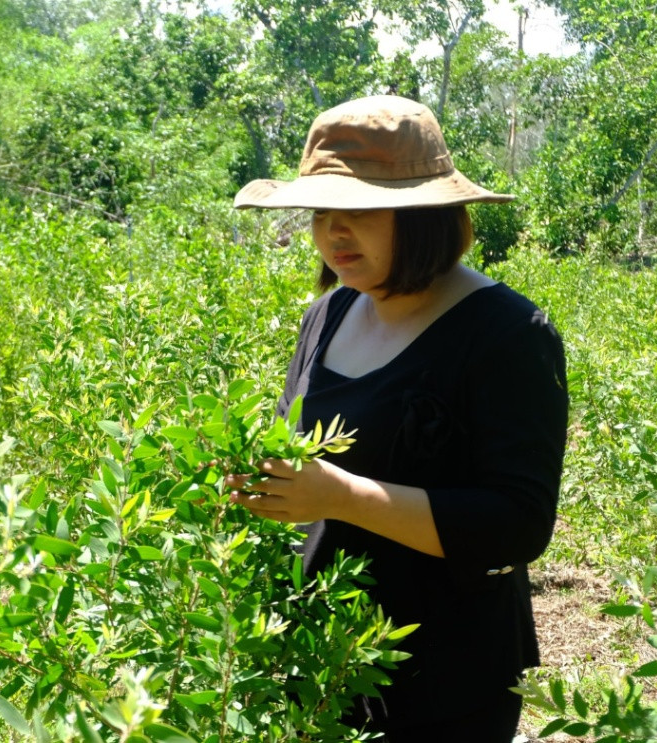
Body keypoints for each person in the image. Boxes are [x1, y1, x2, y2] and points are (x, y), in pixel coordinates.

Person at [225, 95, 569, 742]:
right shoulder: (327, 314)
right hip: (321, 666)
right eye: (322, 212)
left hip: (444, 685)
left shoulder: (507, 334)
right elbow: (290, 446)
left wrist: (340, 495)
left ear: (424, 214)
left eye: (356, 210)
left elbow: (517, 522)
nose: (333, 232)